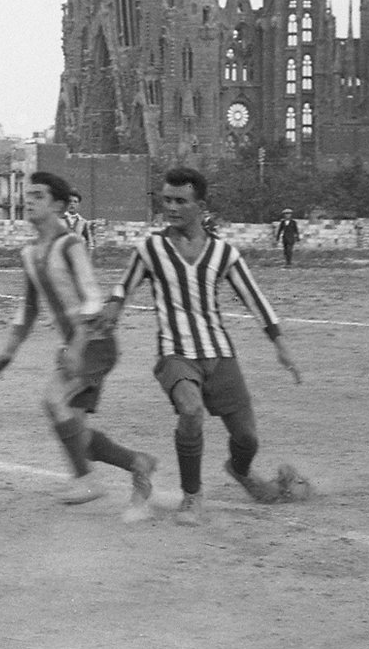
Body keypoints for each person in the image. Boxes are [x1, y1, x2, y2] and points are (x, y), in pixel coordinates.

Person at [100, 166, 305, 526]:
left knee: (246, 437)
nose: (171, 207)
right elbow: (123, 287)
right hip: (175, 354)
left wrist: (280, 343)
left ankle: (240, 470)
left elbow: (254, 299)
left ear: (200, 206)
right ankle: (191, 496)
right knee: (190, 410)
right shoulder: (151, 248)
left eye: (181, 201)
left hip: (220, 354)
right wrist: (112, 310)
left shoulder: (224, 253)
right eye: (166, 200)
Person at [0, 172, 158, 520]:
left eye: (38, 195)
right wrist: (8, 351)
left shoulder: (70, 245)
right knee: (77, 438)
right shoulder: (31, 253)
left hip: (95, 343)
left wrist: (77, 347)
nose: (29, 200)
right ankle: (138, 463)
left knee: (53, 400)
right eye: (29, 194)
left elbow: (93, 299)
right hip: (78, 346)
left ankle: (87, 480)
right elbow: (29, 309)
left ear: (58, 205)